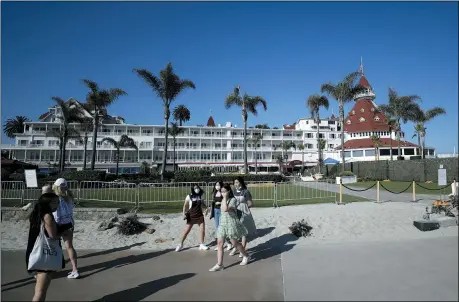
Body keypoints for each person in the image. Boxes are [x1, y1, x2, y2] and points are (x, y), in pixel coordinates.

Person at [26, 191, 64, 301]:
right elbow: (52, 236)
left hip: (35, 252)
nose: (58, 205)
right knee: (40, 292)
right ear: (49, 203)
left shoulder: (37, 214)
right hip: (45, 256)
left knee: (39, 290)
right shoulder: (48, 216)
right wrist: (65, 232)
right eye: (56, 202)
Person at [209, 183, 249, 272]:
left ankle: (245, 255)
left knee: (234, 243)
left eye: (224, 191)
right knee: (219, 243)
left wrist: (225, 198)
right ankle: (220, 264)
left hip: (231, 223)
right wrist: (223, 199)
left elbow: (225, 209)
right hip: (222, 223)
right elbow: (221, 209)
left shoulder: (233, 200)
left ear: (228, 191)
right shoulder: (223, 199)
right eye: (221, 191)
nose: (222, 193)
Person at [52, 178, 79, 279]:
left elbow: (56, 215)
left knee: (53, 247)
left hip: (59, 225)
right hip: (69, 224)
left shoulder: (56, 198)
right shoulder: (69, 197)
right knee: (69, 247)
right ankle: (75, 269)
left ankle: (49, 269)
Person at [175, 184, 209, 252]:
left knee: (202, 230)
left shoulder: (201, 195)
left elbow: (202, 203)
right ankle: (180, 244)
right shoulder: (189, 196)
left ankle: (201, 244)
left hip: (199, 215)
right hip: (191, 215)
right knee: (186, 231)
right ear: (193, 189)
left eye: (198, 188)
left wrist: (206, 208)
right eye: (195, 188)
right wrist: (184, 213)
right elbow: (185, 205)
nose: (197, 189)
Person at [230, 176, 257, 257]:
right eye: (234, 182)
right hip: (235, 214)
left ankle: (243, 249)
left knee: (243, 233)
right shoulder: (233, 192)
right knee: (235, 232)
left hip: (243, 214)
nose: (236, 184)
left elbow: (250, 203)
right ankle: (236, 247)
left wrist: (244, 207)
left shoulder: (245, 192)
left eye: (237, 182)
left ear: (241, 183)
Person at [209, 181, 232, 251]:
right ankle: (219, 244)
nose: (217, 186)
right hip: (216, 211)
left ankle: (229, 243)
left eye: (218, 185)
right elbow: (213, 201)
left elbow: (226, 200)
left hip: (222, 211)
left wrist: (220, 202)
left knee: (223, 227)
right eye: (216, 185)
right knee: (217, 228)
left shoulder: (223, 193)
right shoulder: (215, 193)